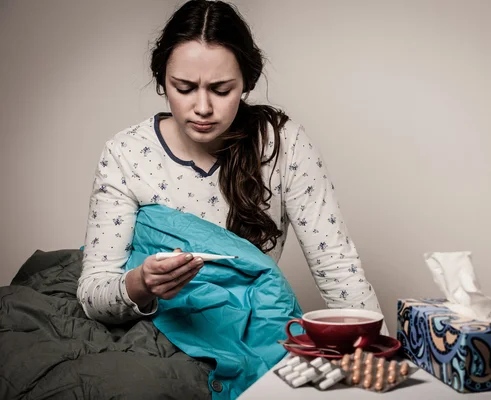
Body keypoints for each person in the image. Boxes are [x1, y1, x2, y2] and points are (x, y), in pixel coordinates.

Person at [77, 0, 387, 334]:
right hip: (153, 340)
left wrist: (382, 356)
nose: (202, 107)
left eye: (221, 90)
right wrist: (141, 283)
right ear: (161, 81)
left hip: (249, 333)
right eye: (183, 88)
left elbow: (336, 265)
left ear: (246, 84)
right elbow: (94, 296)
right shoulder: (127, 154)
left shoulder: (282, 144)